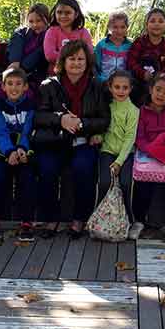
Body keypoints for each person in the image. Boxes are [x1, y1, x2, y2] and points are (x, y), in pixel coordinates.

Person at [33, 40, 110, 237]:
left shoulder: (97, 85)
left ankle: (79, 219)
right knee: (47, 170)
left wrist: (81, 124)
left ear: (88, 62)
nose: (76, 63)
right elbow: (38, 116)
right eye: (72, 58)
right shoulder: (48, 85)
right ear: (63, 61)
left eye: (81, 59)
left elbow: (104, 119)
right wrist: (60, 119)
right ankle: (50, 219)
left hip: (83, 141)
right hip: (54, 141)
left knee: (83, 169)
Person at [131, 73, 165, 245]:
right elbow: (139, 138)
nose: (161, 94)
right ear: (150, 89)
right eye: (158, 90)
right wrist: (155, 152)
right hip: (149, 155)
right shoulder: (142, 111)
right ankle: (138, 221)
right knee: (143, 186)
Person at [0, 68, 36, 241]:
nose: (14, 88)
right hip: (4, 152)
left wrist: (22, 149)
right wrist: (9, 152)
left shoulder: (30, 106)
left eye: (18, 84)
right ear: (3, 87)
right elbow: (1, 132)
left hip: (24, 151)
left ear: (25, 87)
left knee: (27, 178)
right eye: (10, 84)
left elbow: (28, 130)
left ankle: (27, 222)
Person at [96, 70, 139, 217]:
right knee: (104, 183)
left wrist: (119, 162)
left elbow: (130, 138)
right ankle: (99, 217)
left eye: (125, 88)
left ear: (131, 89)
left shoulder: (133, 111)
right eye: (117, 87)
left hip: (126, 154)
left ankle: (127, 218)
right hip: (107, 151)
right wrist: (97, 136)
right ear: (110, 87)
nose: (121, 91)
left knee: (126, 183)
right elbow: (102, 126)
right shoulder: (106, 106)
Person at [127, 8, 165, 104]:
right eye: (152, 21)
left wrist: (160, 76)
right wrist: (143, 73)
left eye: (160, 21)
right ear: (146, 25)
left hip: (160, 83)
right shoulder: (139, 42)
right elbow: (131, 62)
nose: (156, 24)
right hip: (139, 82)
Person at [6, 3, 50, 92]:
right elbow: (15, 45)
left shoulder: (49, 34)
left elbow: (39, 54)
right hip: (15, 68)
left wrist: (22, 69)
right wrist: (15, 62)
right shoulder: (22, 33)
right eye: (31, 21)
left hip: (35, 73)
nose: (34, 25)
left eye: (38, 21)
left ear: (46, 20)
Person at [43, 0, 93, 70]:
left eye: (68, 13)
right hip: (57, 75)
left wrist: (65, 58)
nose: (63, 16)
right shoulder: (52, 31)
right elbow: (50, 56)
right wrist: (75, 58)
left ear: (76, 14)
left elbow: (89, 53)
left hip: (79, 74)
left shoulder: (83, 32)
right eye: (59, 12)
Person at [94, 12, 133, 84]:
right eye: (115, 27)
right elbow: (95, 65)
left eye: (123, 27)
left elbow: (131, 66)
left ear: (127, 27)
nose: (119, 31)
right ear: (109, 27)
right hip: (104, 82)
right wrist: (100, 79)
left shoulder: (130, 46)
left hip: (122, 84)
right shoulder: (102, 45)